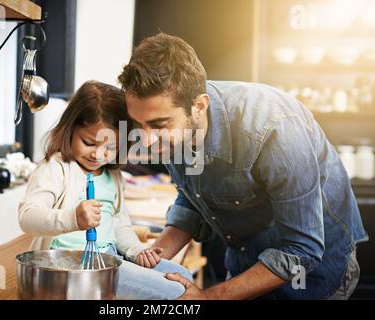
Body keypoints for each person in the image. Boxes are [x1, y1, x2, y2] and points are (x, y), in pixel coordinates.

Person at [118, 33, 368, 299]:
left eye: (158, 125)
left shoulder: (275, 130)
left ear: (199, 107)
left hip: (312, 271)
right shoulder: (173, 122)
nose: (145, 139)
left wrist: (209, 297)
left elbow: (301, 249)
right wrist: (151, 261)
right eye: (137, 124)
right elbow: (195, 196)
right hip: (247, 256)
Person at [18, 80, 193, 300]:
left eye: (110, 147)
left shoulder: (112, 176)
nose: (98, 155)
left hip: (107, 259)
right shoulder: (56, 169)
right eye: (89, 142)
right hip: (70, 265)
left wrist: (136, 251)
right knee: (176, 292)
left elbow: (119, 224)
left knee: (184, 276)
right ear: (70, 129)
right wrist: (72, 218)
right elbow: (27, 217)